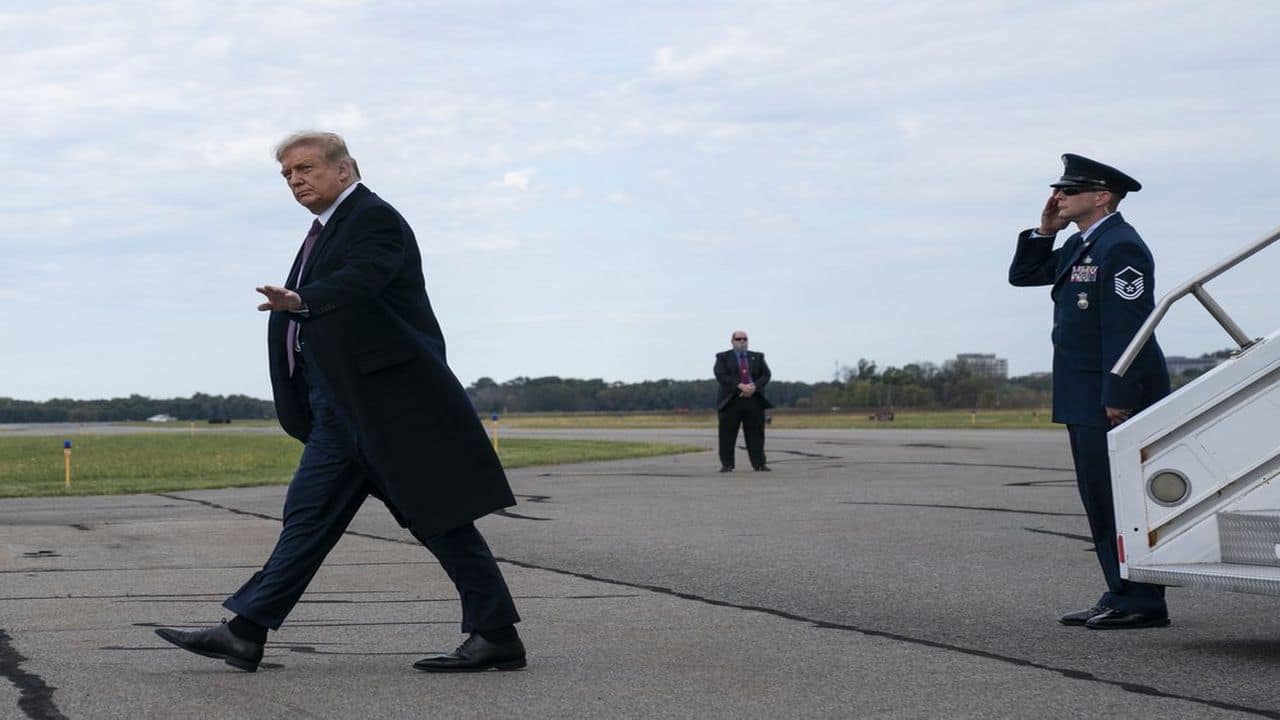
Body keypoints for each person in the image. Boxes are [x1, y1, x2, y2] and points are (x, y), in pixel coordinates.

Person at [155, 131, 526, 671]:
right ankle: (245, 631)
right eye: (287, 174)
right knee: (308, 520)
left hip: (388, 409)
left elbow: (363, 278)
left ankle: (496, 634)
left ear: (344, 170)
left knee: (439, 519)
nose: (295, 180)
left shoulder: (373, 219)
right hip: (344, 408)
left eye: (305, 168)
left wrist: (305, 300)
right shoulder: (325, 230)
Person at [1009, 153, 1172, 630]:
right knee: (1098, 496)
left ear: (1102, 196)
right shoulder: (1085, 243)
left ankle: (1141, 597)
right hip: (1085, 392)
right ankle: (1122, 591)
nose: (1058, 197)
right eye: (1058, 190)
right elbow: (1024, 275)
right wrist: (1045, 231)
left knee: (1116, 496)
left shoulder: (1120, 246)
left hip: (1112, 395)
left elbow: (1128, 325)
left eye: (1069, 191)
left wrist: (1117, 391)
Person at [714, 331, 773, 472]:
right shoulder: (723, 357)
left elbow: (766, 374)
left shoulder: (758, 357)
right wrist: (739, 385)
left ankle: (759, 463)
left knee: (756, 434)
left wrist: (755, 386)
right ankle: (727, 464)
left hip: (753, 400)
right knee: (727, 434)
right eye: (738, 339)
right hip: (731, 401)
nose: (742, 341)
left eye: (745, 339)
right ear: (732, 341)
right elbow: (720, 374)